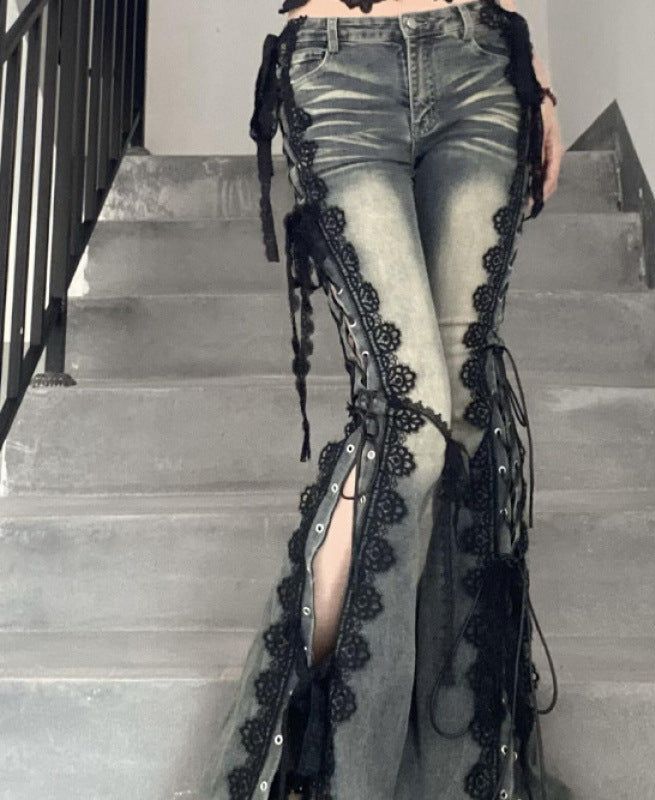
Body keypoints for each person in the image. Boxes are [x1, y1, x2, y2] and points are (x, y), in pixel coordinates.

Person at [200, 1, 565, 798]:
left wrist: (533, 72)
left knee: (468, 416)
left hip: (479, 61)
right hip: (337, 70)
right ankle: (305, 770)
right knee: (409, 418)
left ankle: (465, 776)